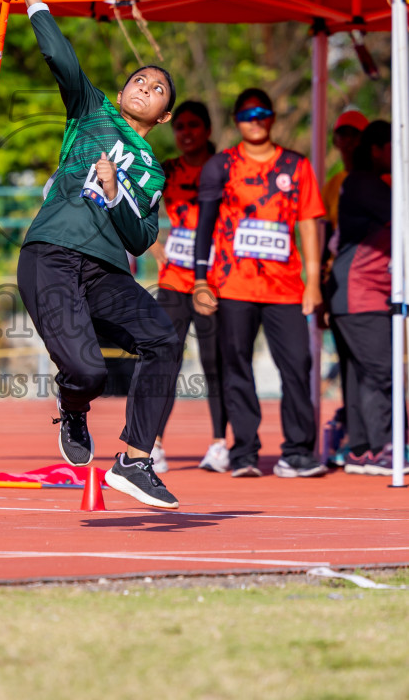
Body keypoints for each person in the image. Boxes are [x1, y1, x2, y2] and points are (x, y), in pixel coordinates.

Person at [1, 0, 182, 509]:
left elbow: (142, 235)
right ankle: (73, 408)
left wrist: (117, 188)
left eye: (157, 89)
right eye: (139, 79)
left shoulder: (152, 169)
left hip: (105, 270)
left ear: (164, 114)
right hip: (51, 255)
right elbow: (61, 58)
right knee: (87, 371)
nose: (145, 87)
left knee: (164, 339)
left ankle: (134, 459)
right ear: (122, 89)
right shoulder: (91, 110)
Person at [193, 88, 327, 478]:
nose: (255, 120)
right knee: (236, 365)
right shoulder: (222, 165)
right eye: (247, 114)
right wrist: (201, 280)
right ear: (236, 120)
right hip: (234, 285)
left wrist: (313, 282)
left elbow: (308, 223)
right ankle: (245, 452)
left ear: (272, 117)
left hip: (286, 288)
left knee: (298, 364)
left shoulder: (296, 165)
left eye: (262, 112)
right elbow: (205, 226)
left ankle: (299, 452)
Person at [148, 101, 228, 474]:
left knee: (215, 362)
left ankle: (219, 444)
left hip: (216, 281)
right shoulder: (166, 171)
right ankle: (154, 446)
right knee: (165, 360)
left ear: (208, 130)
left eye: (194, 125)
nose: (186, 133)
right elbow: (130, 206)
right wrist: (153, 246)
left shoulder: (226, 168)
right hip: (175, 280)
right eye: (179, 127)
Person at [329, 120, 408, 475]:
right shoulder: (364, 183)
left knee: (364, 373)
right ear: (377, 149)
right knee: (382, 371)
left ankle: (362, 449)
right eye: (396, 146)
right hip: (361, 292)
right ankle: (384, 449)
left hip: (361, 291)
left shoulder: (366, 183)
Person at [321, 108, 368, 465]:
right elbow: (324, 238)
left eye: (355, 134)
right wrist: (320, 288)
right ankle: (355, 434)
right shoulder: (334, 184)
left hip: (374, 282)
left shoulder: (385, 179)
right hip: (339, 283)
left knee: (378, 365)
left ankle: (385, 435)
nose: (347, 141)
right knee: (349, 363)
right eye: (342, 134)